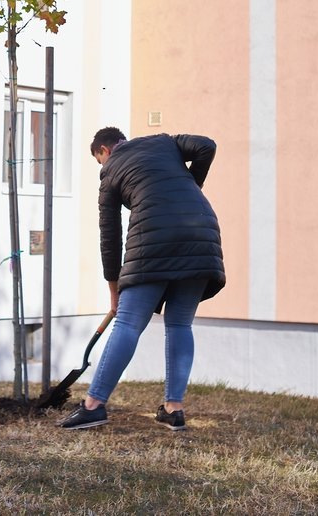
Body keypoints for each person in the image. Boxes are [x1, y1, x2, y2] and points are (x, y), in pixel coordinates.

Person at [60, 127, 225, 431]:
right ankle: (173, 409)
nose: (103, 166)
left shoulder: (110, 172)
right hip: (201, 233)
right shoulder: (163, 142)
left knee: (127, 323)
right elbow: (206, 145)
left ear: (104, 151)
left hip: (154, 243)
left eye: (99, 160)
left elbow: (109, 237)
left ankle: (93, 405)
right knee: (179, 324)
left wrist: (114, 290)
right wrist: (191, 186)